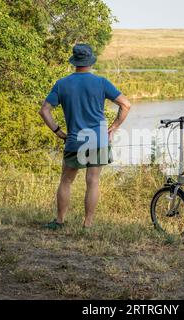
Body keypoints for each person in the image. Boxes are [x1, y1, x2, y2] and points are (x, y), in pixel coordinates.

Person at [39, 44, 131, 229]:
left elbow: (44, 111)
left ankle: (60, 222)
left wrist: (58, 132)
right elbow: (126, 105)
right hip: (98, 138)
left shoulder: (62, 83)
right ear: (90, 61)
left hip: (75, 140)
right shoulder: (101, 82)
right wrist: (113, 128)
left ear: (75, 61)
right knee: (93, 181)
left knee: (66, 181)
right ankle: (87, 224)